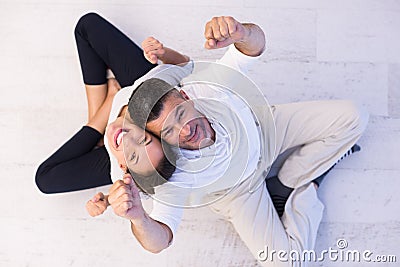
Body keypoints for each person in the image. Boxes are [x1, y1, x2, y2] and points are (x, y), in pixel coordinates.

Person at [107, 15, 369, 266]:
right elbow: (159, 241)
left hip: (264, 130)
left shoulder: (207, 87)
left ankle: (289, 180)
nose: (185, 130)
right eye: (169, 132)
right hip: (240, 192)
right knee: (289, 263)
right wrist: (139, 218)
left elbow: (253, 47)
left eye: (180, 114)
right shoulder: (172, 172)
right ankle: (306, 189)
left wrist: (241, 32)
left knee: (355, 116)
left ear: (187, 98)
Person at [35, 12, 189, 203]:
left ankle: (104, 112)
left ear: (124, 168)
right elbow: (185, 67)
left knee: (46, 180)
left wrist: (106, 201)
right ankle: (108, 107)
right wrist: (163, 53)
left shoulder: (125, 166)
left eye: (132, 155)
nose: (128, 140)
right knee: (87, 25)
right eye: (143, 139)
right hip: (139, 95)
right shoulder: (151, 98)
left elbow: (132, 192)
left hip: (134, 157)